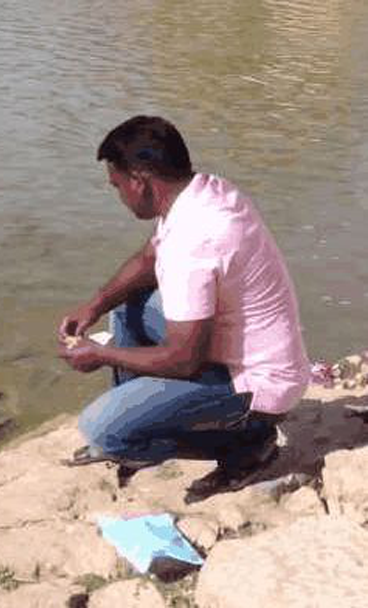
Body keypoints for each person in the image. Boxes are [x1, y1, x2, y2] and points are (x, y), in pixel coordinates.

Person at [57, 115, 310, 503]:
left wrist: (100, 354)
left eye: (117, 185)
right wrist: (94, 305)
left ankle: (245, 447)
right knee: (128, 307)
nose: (119, 195)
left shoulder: (193, 242)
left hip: (259, 386)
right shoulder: (204, 193)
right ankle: (139, 417)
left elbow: (183, 361)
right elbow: (148, 258)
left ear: (140, 180)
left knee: (101, 428)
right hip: (251, 355)